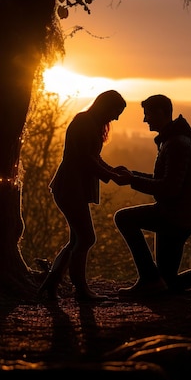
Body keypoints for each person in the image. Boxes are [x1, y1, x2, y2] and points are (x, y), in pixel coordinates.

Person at [113, 94, 191, 296]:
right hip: (180, 214)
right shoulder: (172, 142)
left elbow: (169, 189)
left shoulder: (176, 144)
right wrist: (132, 175)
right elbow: (165, 181)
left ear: (160, 113)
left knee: (123, 218)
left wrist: (132, 180)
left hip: (175, 216)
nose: (145, 120)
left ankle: (148, 278)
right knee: (167, 283)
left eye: (147, 114)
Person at [38, 90, 128, 301]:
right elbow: (86, 160)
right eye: (116, 112)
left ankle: (51, 285)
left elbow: (93, 158)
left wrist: (114, 171)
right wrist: (112, 176)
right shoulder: (84, 123)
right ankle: (80, 290)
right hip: (70, 187)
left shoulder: (89, 123)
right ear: (106, 106)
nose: (116, 118)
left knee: (77, 239)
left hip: (72, 187)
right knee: (86, 237)